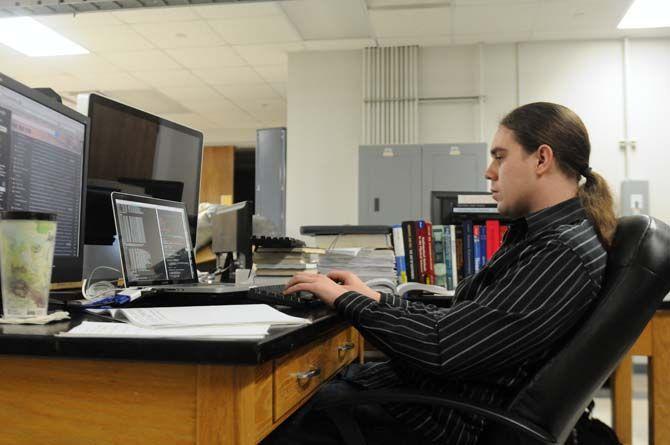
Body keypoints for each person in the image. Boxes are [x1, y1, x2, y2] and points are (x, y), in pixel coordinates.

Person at [262, 102, 616, 445]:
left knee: (272, 420)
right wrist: (372, 297)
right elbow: (460, 323)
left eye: (499, 156)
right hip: (429, 401)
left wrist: (347, 301)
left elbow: (443, 347)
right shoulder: (539, 238)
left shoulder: (561, 252)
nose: (489, 171)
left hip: (438, 420)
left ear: (541, 158)